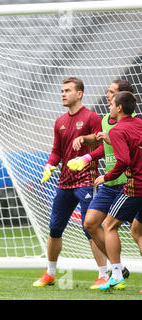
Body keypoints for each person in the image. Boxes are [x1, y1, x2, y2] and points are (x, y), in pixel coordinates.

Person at [34, 77, 108, 287]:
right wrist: (49, 165)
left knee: (90, 228)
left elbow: (104, 147)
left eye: (67, 90)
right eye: (62, 91)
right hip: (64, 183)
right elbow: (57, 150)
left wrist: (86, 158)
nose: (63, 94)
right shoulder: (59, 122)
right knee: (54, 228)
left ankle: (103, 274)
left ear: (80, 93)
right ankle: (50, 273)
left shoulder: (93, 118)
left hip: (86, 181)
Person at [67, 80, 134, 288]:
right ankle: (118, 270)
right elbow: (103, 145)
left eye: (112, 93)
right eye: (107, 92)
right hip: (109, 182)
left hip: (128, 184)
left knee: (136, 232)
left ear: (121, 100)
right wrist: (87, 155)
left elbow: (124, 150)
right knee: (90, 224)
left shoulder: (133, 124)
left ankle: (115, 273)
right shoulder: (106, 119)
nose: (107, 95)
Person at [93, 91, 142, 290]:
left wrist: (106, 176)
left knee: (108, 225)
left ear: (119, 108)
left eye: (112, 104)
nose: (109, 107)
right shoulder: (139, 123)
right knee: (137, 230)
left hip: (135, 187)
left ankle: (116, 275)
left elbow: (124, 160)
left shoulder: (117, 130)